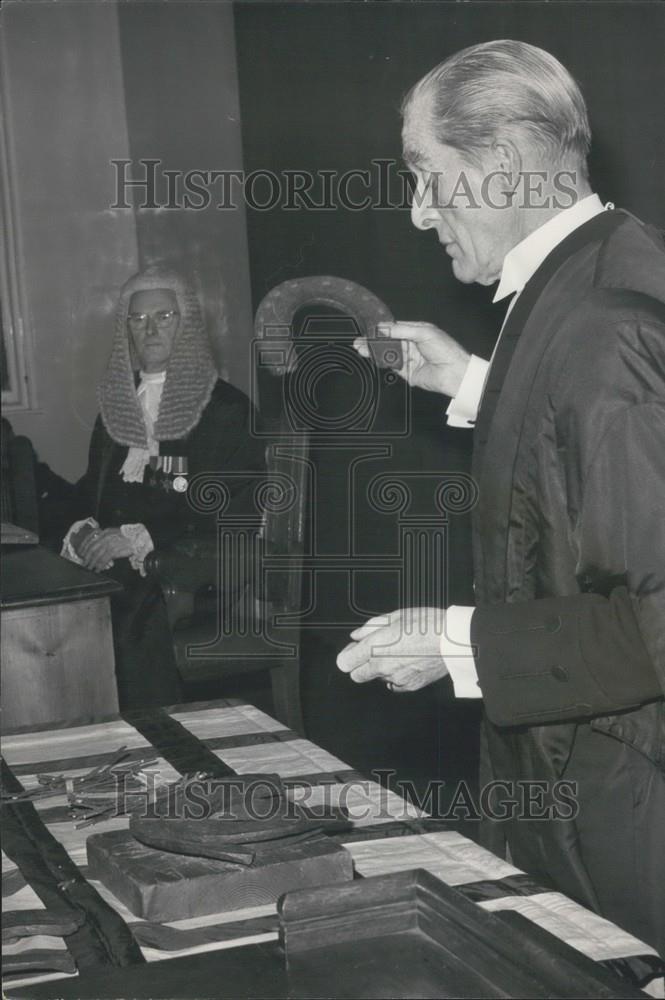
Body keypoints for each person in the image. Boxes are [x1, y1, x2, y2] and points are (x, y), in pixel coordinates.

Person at [337, 40, 665, 955]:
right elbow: (592, 455)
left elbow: (653, 621)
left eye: (425, 176)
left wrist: (456, 642)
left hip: (622, 807)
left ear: (507, 166)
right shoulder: (595, 273)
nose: (414, 214)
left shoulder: (606, 324)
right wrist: (474, 383)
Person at [61, 266, 265, 709]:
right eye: (137, 320)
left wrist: (139, 539)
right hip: (123, 563)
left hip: (197, 567)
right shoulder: (117, 404)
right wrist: (81, 530)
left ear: (187, 323)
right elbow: (92, 490)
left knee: (119, 607)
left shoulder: (223, 408)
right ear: (126, 331)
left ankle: (153, 739)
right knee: (54, 599)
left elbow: (231, 508)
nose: (149, 328)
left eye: (165, 316)